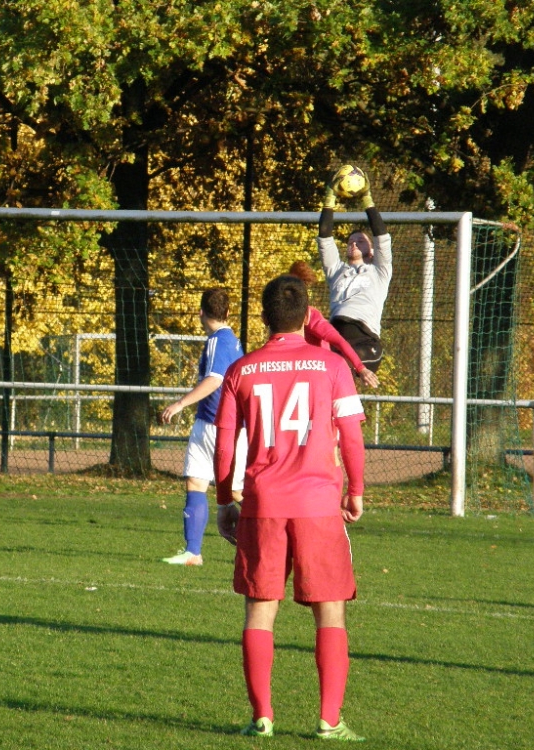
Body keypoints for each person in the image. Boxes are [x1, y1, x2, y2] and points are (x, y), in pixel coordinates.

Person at [214, 274, 367, 741]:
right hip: (319, 504)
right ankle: (329, 720)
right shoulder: (333, 366)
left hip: (263, 506)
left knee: (260, 611)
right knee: (330, 611)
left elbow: (224, 444)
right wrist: (355, 490)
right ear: (308, 317)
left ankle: (262, 717)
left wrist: (225, 500)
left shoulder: (241, 370)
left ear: (264, 318)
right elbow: (352, 436)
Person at [159, 288, 246, 566]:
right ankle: (192, 552)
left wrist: (180, 404)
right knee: (195, 481)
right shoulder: (229, 340)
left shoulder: (219, 341)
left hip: (220, 425)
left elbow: (215, 379)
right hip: (209, 422)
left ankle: (272, 539)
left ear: (200, 313)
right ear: (228, 312)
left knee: (235, 490)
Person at [318, 167, 392, 373]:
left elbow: (382, 237)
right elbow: (324, 237)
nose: (354, 243)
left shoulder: (379, 271)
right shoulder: (336, 271)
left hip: (364, 341)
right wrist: (330, 196)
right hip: (335, 338)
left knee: (344, 362)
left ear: (371, 250)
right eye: (351, 241)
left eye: (360, 240)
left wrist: (367, 198)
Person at [287, 261, 380, 389]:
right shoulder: (281, 320)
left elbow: (339, 341)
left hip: (322, 375)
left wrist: (361, 368)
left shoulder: (311, 317)